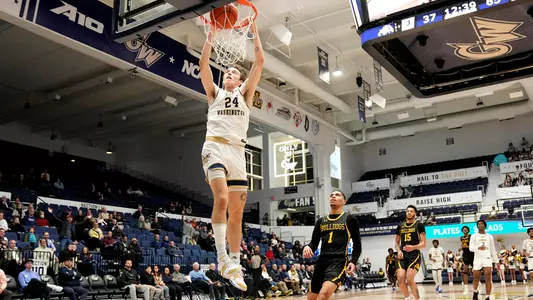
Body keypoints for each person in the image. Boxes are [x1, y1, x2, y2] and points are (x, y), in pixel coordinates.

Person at [199, 10, 264, 292]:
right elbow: (203, 65)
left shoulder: (245, 95)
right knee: (222, 199)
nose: (229, 73)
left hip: (238, 153)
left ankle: (234, 264)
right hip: (214, 146)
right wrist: (212, 33)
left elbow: (260, 62)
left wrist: (254, 29)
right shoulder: (214, 93)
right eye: (227, 71)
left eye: (234, 72)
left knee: (237, 213)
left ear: (240, 81)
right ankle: (222, 256)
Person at [302, 190, 361, 300]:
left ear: (344, 201)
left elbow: (357, 244)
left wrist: (353, 261)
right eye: (331, 195)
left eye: (337, 195)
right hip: (321, 262)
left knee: (323, 295)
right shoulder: (321, 221)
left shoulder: (350, 219)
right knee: (311, 298)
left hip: (338, 261)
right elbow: (313, 243)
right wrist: (307, 247)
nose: (333, 196)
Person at [395, 205, 426, 300]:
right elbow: (396, 243)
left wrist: (413, 247)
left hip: (414, 255)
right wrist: (399, 250)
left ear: (415, 213)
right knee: (400, 278)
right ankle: (407, 298)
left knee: (409, 279)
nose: (409, 212)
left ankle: (418, 299)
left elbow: (423, 244)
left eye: (411, 211)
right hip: (402, 256)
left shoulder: (419, 225)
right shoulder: (400, 226)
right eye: (407, 211)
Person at [469, 220, 498, 300]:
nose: (480, 225)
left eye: (481, 224)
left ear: (485, 226)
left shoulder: (489, 236)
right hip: (477, 258)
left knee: (488, 277)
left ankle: (487, 296)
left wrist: (497, 261)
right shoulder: (474, 236)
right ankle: (475, 291)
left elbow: (492, 249)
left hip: (487, 258)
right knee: (476, 277)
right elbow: (471, 248)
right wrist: (478, 248)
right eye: (478, 224)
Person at [460, 226, 474, 295]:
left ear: (468, 230)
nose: (464, 230)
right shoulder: (461, 238)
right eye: (463, 229)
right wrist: (461, 248)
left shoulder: (471, 236)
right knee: (465, 270)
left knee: (475, 271)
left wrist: (467, 247)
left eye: (466, 229)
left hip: (472, 254)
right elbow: (463, 246)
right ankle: (466, 289)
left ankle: (478, 286)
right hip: (465, 255)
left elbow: (473, 246)